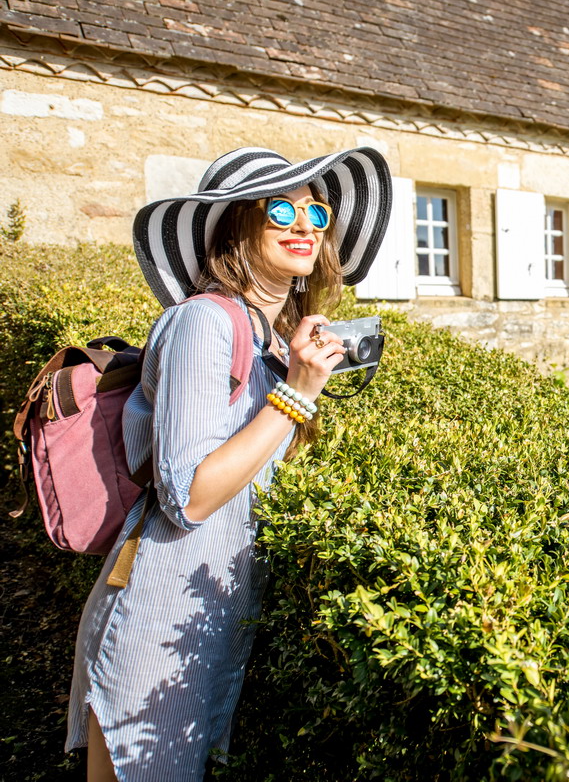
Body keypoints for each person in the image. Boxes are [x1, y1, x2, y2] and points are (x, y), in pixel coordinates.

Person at [65, 146, 393, 781]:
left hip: (207, 614)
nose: (305, 226)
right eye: (281, 209)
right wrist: (297, 391)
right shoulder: (202, 325)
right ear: (236, 225)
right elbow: (190, 494)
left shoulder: (268, 335)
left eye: (316, 213)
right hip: (158, 613)